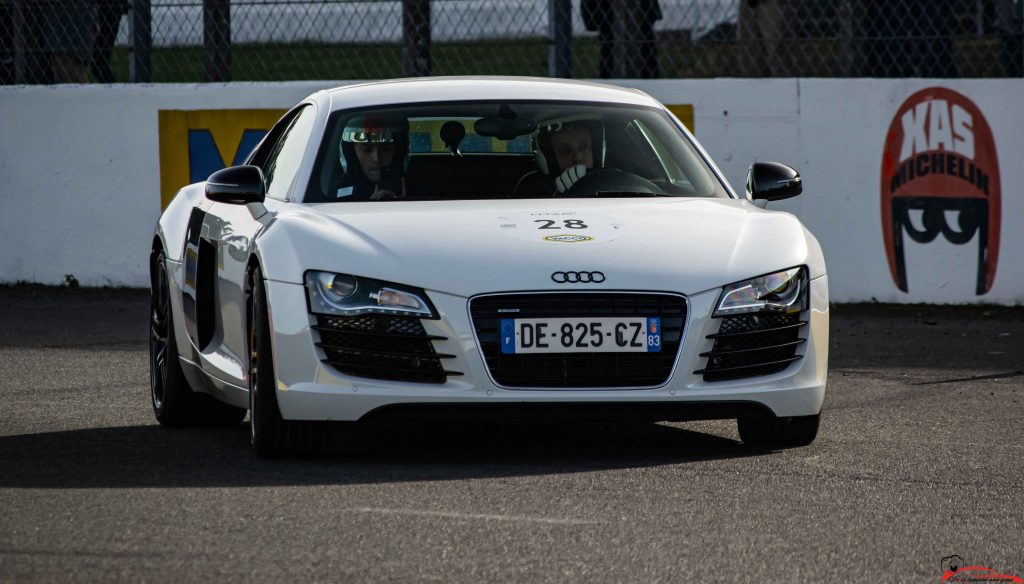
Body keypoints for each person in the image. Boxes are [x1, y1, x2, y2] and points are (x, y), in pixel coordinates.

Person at [513, 119, 605, 197]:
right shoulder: (531, 188)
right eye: (565, 150)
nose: (577, 158)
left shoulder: (611, 183)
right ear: (547, 158)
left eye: (584, 146)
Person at [336, 114, 409, 200]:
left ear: (399, 152)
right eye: (366, 149)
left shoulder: (419, 188)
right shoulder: (334, 194)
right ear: (351, 153)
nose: (376, 158)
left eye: (386, 149)